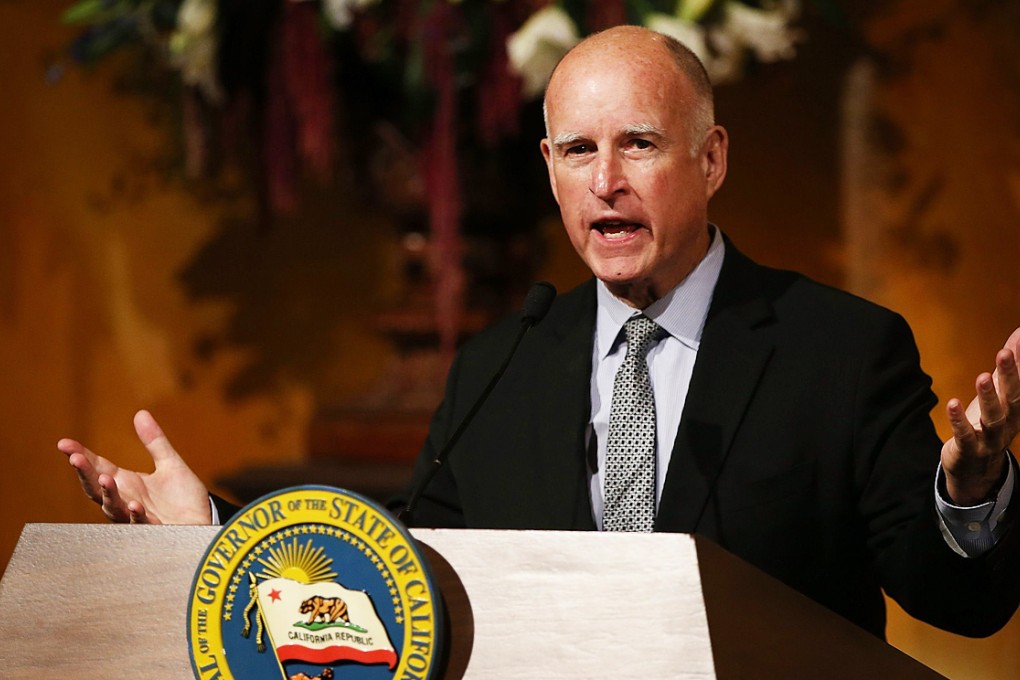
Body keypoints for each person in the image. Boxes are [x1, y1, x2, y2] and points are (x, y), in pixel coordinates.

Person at [59, 26, 1020, 640]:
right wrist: (217, 536)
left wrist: (968, 493)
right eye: (577, 151)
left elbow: (959, 604)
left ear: (712, 157)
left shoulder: (842, 351)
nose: (606, 180)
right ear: (550, 169)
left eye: (638, 143)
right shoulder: (504, 363)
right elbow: (405, 584)